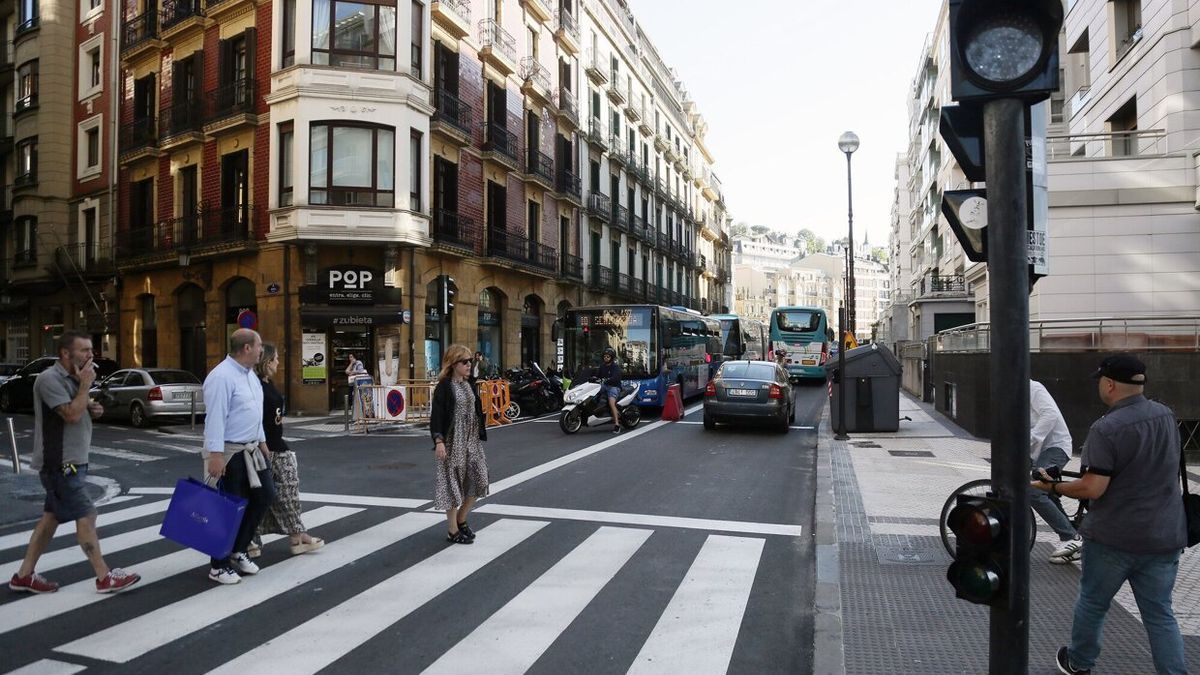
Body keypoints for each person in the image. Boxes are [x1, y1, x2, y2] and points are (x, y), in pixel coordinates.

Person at [1033, 354, 1187, 675]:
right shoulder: (1167, 416)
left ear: (1110, 384)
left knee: (1093, 603)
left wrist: (1053, 488)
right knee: (1160, 614)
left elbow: (1093, 488)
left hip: (1114, 538)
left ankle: (1079, 662)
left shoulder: (1106, 428)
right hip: (1164, 535)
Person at [8, 332, 141, 595]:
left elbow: (78, 409)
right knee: (87, 514)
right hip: (60, 464)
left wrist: (92, 406)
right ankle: (104, 577)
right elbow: (69, 414)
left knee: (50, 520)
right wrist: (84, 387)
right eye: (84, 350)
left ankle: (24, 575)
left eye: (91, 349)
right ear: (65, 354)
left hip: (73, 462)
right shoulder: (49, 379)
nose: (90, 355)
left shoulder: (74, 378)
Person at [202, 328, 276, 585]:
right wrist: (215, 455)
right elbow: (215, 417)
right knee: (229, 507)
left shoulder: (250, 376)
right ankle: (218, 565)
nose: (261, 351)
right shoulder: (221, 377)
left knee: (265, 496)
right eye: (258, 346)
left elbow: (254, 413)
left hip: (253, 449)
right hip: (230, 451)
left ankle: (239, 549)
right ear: (246, 348)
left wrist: (263, 441)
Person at [251, 343, 323, 557]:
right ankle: (288, 536)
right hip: (265, 448)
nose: (278, 363)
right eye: (275, 359)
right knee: (274, 493)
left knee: (282, 493)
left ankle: (295, 536)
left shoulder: (266, 383)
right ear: (266, 361)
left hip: (275, 444)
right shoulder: (255, 385)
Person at [429, 344, 490, 545]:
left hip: (471, 440)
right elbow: (436, 416)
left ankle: (461, 519)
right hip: (453, 441)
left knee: (480, 478)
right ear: (453, 363)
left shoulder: (469, 383)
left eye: (470, 361)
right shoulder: (445, 387)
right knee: (453, 485)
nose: (469, 365)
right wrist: (439, 441)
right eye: (465, 362)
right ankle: (452, 530)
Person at [1028, 379, 1082, 563]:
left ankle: (1070, 538)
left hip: (1056, 447)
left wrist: (1031, 438)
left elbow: (1050, 414)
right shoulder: (1010, 397)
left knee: (1033, 491)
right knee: (1044, 491)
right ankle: (1073, 534)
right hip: (1036, 452)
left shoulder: (1032, 388)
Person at [596, 347, 623, 434]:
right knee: (592, 394)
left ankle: (617, 425)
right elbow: (597, 375)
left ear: (611, 357)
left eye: (608, 356)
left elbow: (616, 377)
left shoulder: (615, 367)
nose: (606, 358)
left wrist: (608, 380)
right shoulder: (602, 366)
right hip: (605, 385)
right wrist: (593, 377)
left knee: (612, 403)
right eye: (605, 356)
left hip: (614, 387)